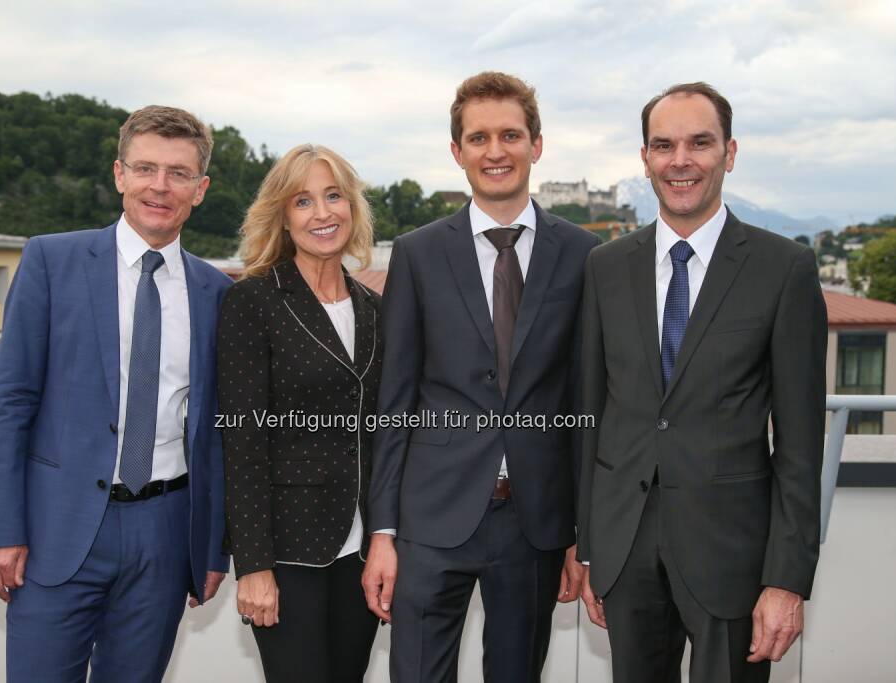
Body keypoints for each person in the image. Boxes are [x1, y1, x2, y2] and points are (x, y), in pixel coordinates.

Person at [576, 82, 827, 682]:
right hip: (625, 548)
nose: (680, 160)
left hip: (734, 557)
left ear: (730, 153)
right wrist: (586, 545)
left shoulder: (783, 269)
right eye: (663, 145)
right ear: (645, 160)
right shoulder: (605, 267)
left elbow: (799, 443)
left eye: (700, 143)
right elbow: (590, 414)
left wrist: (786, 579)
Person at [0, 105, 231, 682]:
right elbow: (10, 400)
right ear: (120, 174)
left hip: (166, 533)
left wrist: (213, 548)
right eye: (145, 168)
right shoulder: (50, 260)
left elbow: (215, 432)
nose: (159, 186)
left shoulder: (215, 291)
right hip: (54, 529)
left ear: (201, 188)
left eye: (178, 173)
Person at [361, 71, 599, 682]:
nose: (496, 151)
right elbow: (394, 401)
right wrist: (382, 531)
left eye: (511, 135)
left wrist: (583, 534)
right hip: (428, 521)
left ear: (536, 144)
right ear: (457, 151)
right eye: (479, 138)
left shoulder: (583, 254)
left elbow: (586, 400)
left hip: (536, 525)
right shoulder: (416, 253)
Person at [217, 144, 382, 682]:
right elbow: (242, 444)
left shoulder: (375, 308)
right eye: (304, 201)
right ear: (283, 218)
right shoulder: (254, 302)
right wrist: (255, 567)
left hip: (364, 551)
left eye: (334, 196)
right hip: (289, 552)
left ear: (352, 208)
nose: (323, 213)